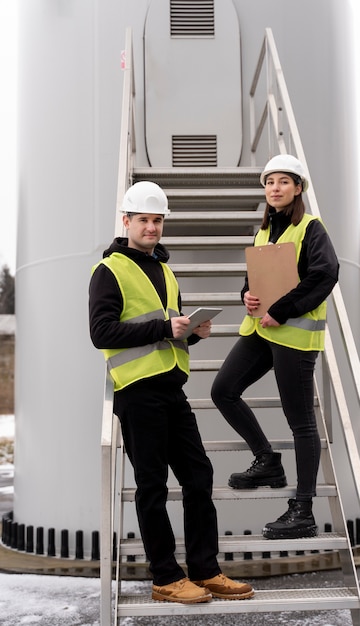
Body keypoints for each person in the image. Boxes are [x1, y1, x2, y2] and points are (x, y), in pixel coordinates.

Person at [89, 181, 253, 604]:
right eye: (143, 219)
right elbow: (101, 331)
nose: (151, 227)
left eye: (158, 220)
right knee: (153, 486)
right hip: (137, 393)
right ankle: (165, 577)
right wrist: (167, 327)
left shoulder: (163, 269)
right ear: (126, 221)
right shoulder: (109, 270)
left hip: (170, 389)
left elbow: (169, 331)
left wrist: (193, 332)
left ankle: (205, 569)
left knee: (199, 476)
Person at [211, 155, 339, 540]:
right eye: (269, 182)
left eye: (284, 181)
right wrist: (246, 296)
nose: (275, 188)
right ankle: (266, 459)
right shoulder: (263, 232)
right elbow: (252, 279)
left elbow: (325, 274)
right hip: (260, 331)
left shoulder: (311, 229)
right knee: (223, 390)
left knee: (301, 422)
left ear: (298, 188)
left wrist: (282, 310)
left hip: (295, 337)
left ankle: (303, 510)